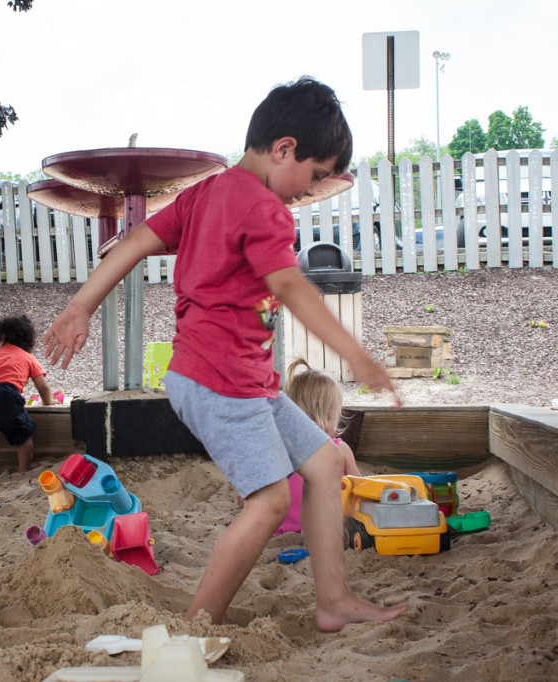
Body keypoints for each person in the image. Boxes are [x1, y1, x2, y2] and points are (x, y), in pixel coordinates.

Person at [44, 77, 407, 631]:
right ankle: (194, 629)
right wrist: (355, 356)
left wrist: (80, 308)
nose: (304, 193)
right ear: (284, 148)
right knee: (265, 504)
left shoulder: (204, 193)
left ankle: (333, 600)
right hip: (222, 382)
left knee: (326, 461)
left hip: (237, 380)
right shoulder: (263, 209)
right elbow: (288, 286)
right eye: (311, 177)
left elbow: (135, 242)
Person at [275, 358, 362, 536]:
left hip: (282, 530)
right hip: (329, 529)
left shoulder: (280, 449)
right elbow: (361, 488)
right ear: (329, 414)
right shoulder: (340, 449)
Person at [0, 314, 54, 472]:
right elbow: (42, 387)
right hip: (6, 395)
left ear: (1, 338)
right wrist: (48, 402)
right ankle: (25, 467)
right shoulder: (28, 357)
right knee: (24, 435)